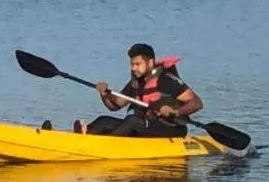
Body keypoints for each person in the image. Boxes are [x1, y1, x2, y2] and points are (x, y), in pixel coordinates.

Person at [74, 43, 204, 137]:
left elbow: (197, 103)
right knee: (104, 121)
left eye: (137, 64)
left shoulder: (167, 80)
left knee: (132, 121)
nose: (133, 68)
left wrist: (175, 112)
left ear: (150, 63)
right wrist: (104, 94)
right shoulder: (135, 82)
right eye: (132, 64)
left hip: (171, 128)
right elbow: (115, 106)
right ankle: (84, 136)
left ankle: (106, 144)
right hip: (144, 125)